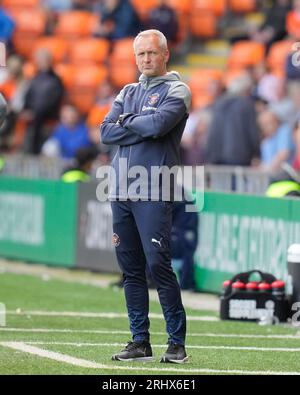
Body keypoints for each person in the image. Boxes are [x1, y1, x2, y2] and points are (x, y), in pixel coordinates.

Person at [100, 29, 191, 363]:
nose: (146, 60)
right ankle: (140, 341)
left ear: (165, 54)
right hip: (121, 190)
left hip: (154, 188)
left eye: (152, 53)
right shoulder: (128, 90)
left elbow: (158, 128)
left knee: (158, 265)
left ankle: (177, 343)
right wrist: (138, 122)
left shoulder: (178, 89)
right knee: (131, 271)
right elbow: (105, 132)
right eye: (140, 54)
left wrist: (128, 122)